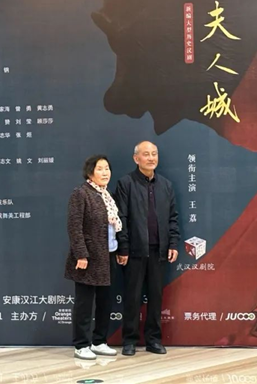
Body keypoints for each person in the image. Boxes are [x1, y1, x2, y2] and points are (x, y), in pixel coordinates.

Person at [114, 141, 180, 356]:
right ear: (136, 159)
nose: (151, 158)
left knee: (156, 297)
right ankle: (129, 340)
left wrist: (173, 243)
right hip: (134, 251)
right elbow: (121, 218)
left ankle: (154, 340)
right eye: (146, 154)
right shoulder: (125, 183)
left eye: (154, 154)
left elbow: (172, 218)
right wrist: (123, 247)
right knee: (132, 297)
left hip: (159, 251)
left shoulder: (166, 185)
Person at [65, 155, 122, 360]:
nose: (105, 172)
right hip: (88, 258)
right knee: (84, 303)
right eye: (100, 169)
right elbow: (75, 227)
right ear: (90, 173)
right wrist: (81, 254)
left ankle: (99, 341)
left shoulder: (107, 195)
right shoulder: (81, 193)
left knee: (105, 302)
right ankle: (81, 345)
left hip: (108, 255)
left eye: (107, 168)